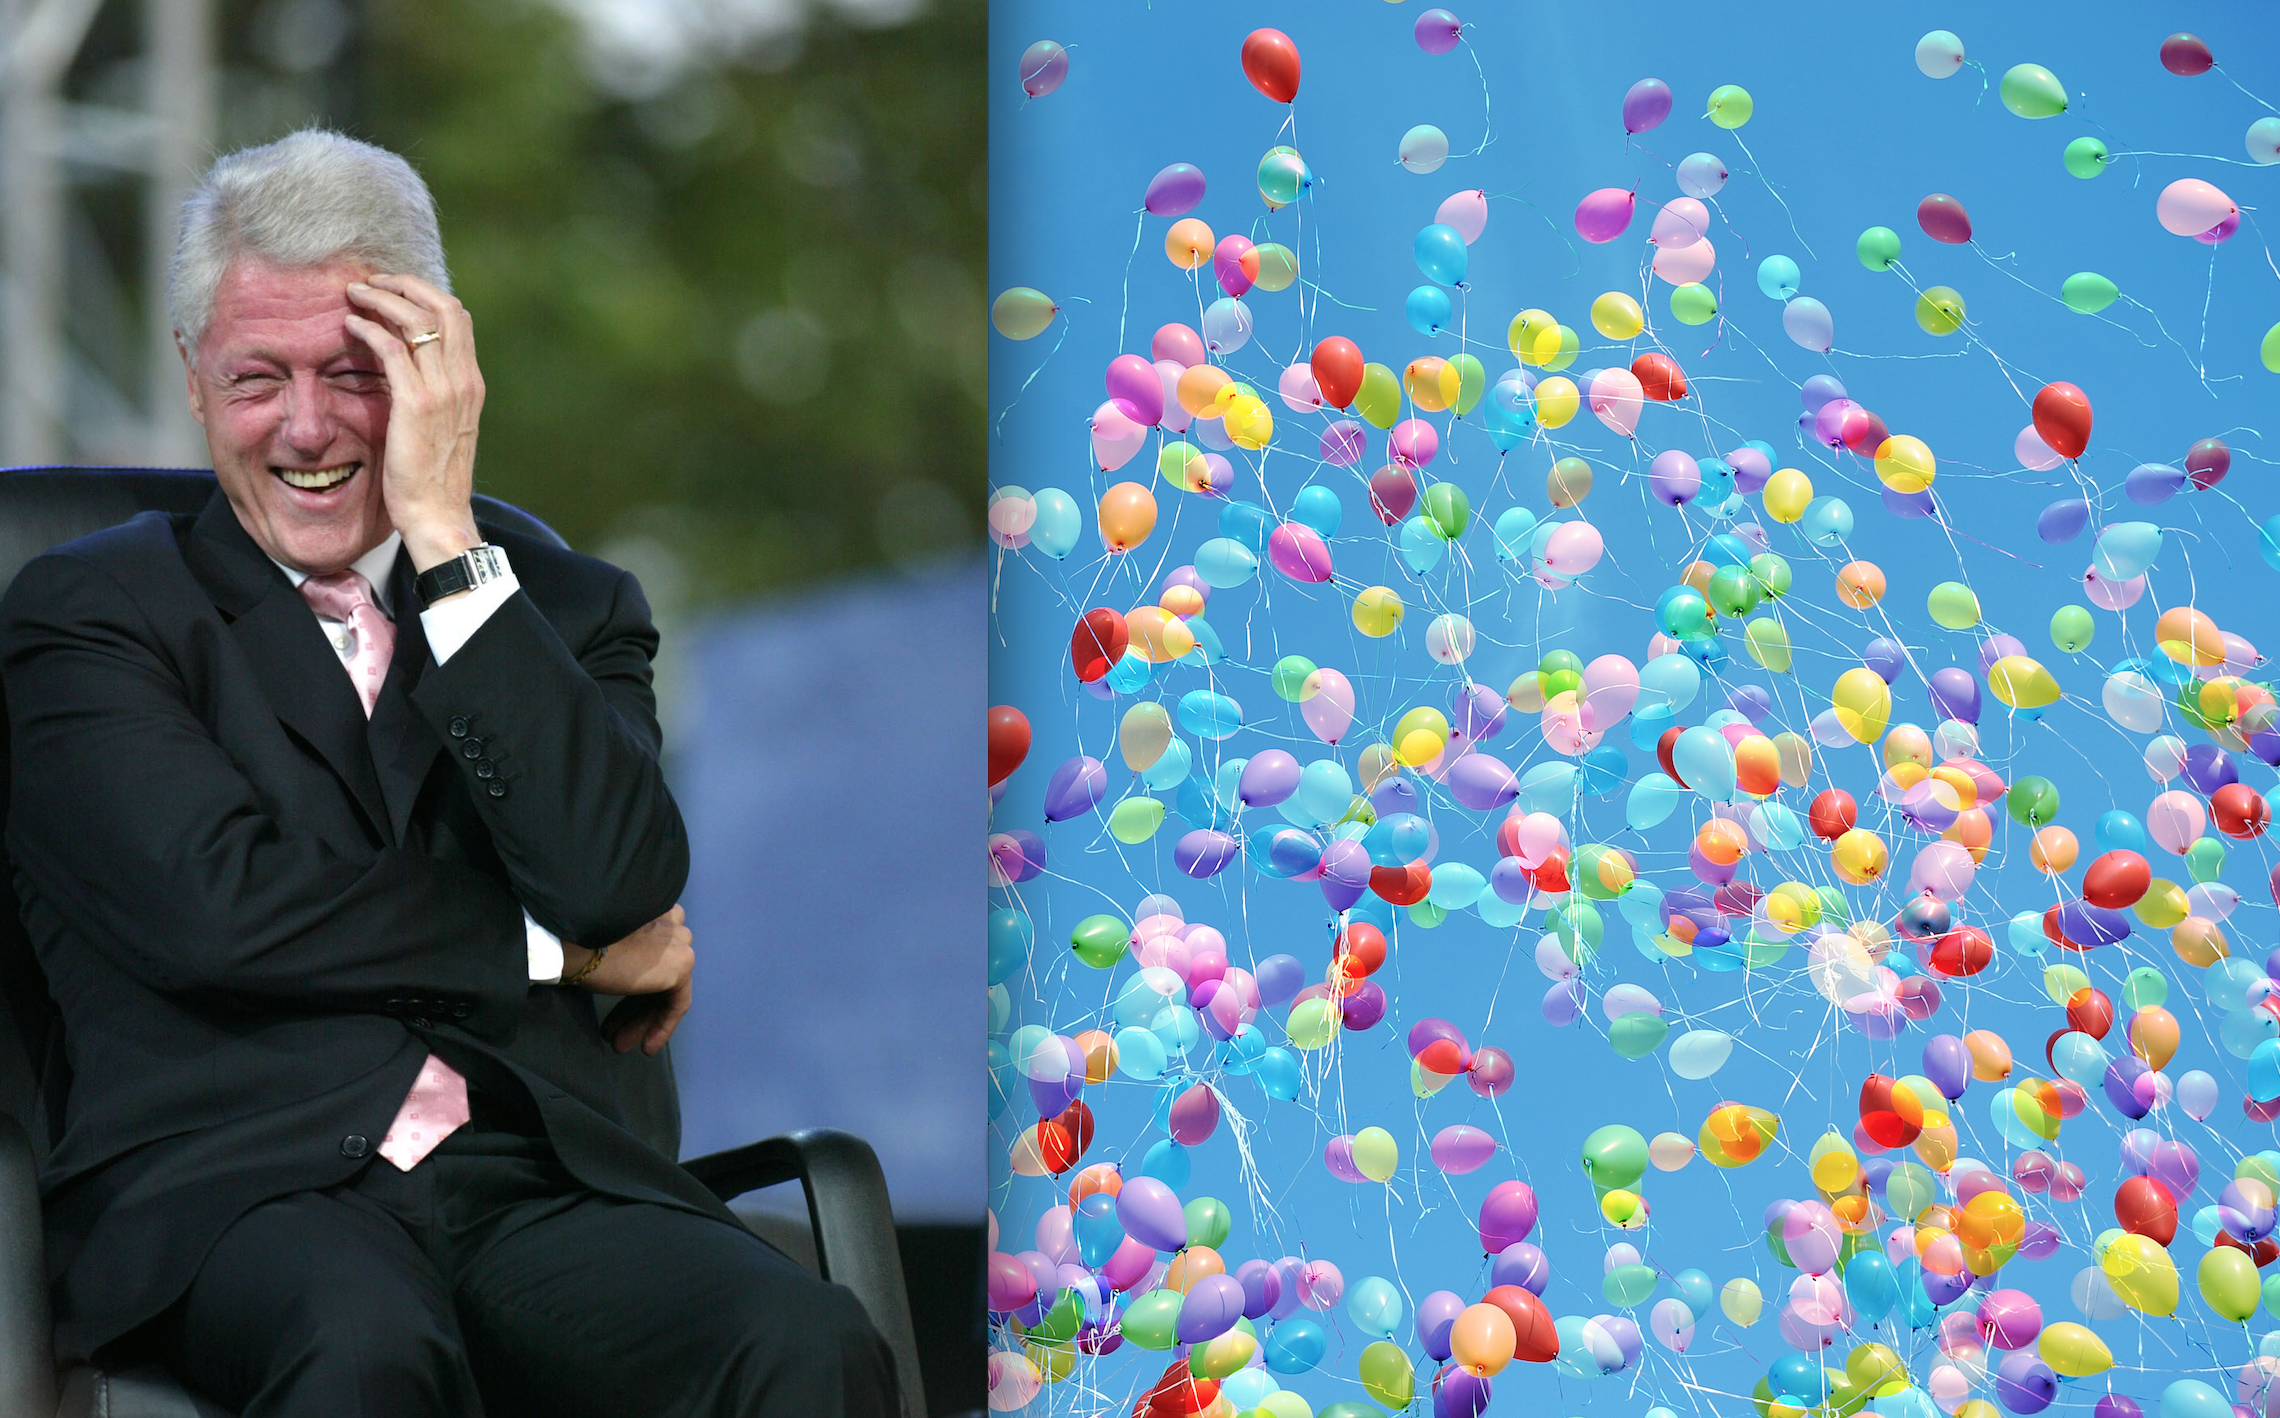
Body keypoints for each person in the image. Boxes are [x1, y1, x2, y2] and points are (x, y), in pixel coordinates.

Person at [0, 129, 899, 1416]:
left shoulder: (568, 608)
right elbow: (223, 906)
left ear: (441, 374)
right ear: (194, 378)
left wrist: (444, 539)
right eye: (258, 376)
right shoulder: (88, 609)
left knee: (800, 1341)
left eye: (355, 373)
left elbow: (616, 878)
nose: (306, 426)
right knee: (369, 1352)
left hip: (538, 1181)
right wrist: (560, 958)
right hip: (246, 1189)